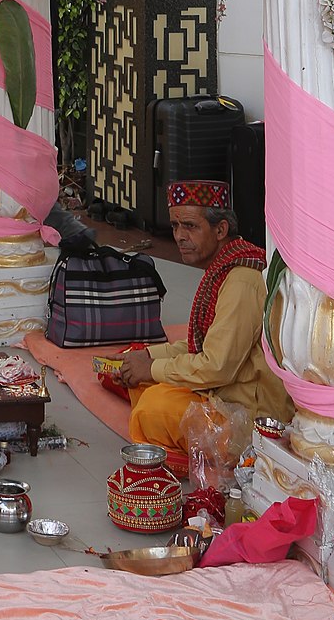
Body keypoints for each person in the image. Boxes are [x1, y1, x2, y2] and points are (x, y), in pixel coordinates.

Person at [115, 181, 291, 453]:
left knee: (151, 407)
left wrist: (149, 367)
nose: (180, 236)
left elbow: (216, 366)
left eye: (190, 226)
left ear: (220, 229)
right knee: (140, 379)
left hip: (248, 418)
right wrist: (145, 356)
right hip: (223, 393)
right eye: (175, 226)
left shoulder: (241, 280)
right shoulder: (225, 268)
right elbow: (205, 344)